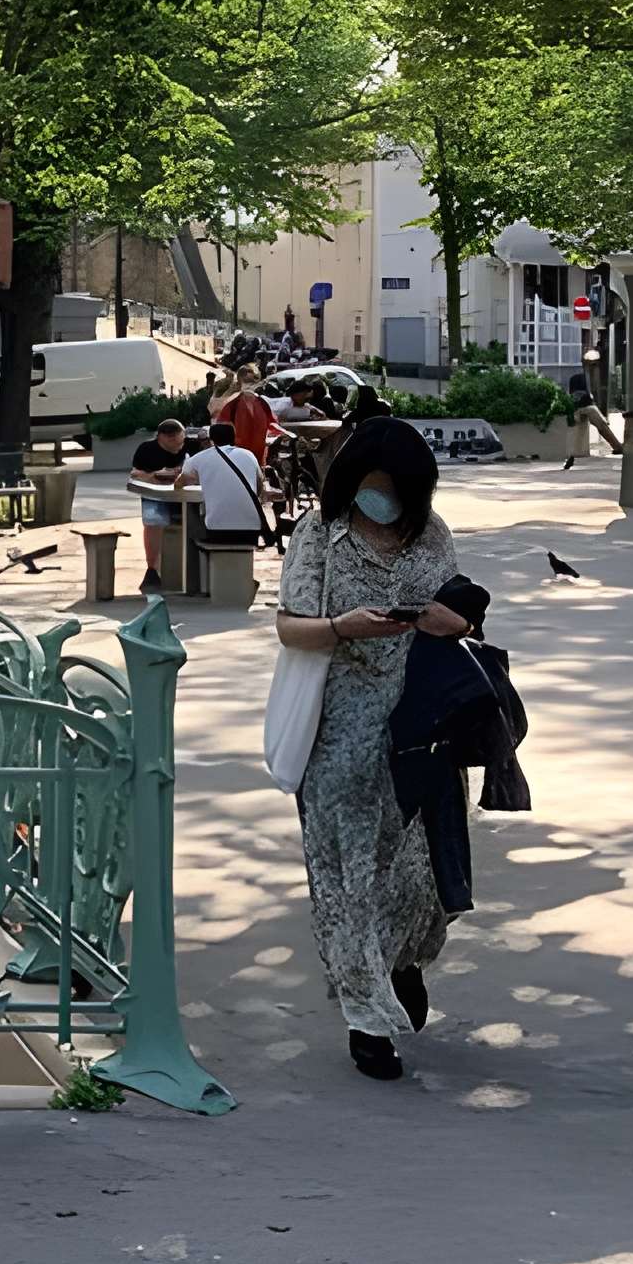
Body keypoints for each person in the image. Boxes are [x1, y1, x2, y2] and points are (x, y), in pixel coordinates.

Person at [273, 418, 474, 1081]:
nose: (378, 497)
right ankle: (366, 1019)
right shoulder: (319, 538)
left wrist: (458, 620)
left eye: (391, 487)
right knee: (349, 884)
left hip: (423, 735)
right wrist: (338, 627)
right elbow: (288, 627)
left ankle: (403, 963)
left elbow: (459, 607)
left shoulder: (433, 534)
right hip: (341, 740)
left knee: (419, 878)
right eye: (368, 484)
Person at [182, 420, 269, 552]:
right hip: (251, 532)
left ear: (211, 439)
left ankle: (192, 564)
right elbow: (259, 487)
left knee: (191, 510)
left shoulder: (197, 459)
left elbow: (179, 484)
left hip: (216, 532)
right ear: (234, 437)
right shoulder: (249, 455)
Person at [126, 416, 191, 592]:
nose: (180, 446)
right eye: (177, 442)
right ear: (164, 438)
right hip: (155, 493)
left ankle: (192, 570)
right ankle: (152, 568)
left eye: (182, 440)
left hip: (184, 493)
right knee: (153, 518)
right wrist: (155, 475)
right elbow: (135, 474)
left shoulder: (189, 446)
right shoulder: (146, 449)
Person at [217, 366, 279, 465]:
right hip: (239, 456)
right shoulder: (233, 404)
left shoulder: (262, 403)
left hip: (257, 456)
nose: (249, 387)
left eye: (252, 384)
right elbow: (221, 429)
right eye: (247, 383)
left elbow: (273, 424)